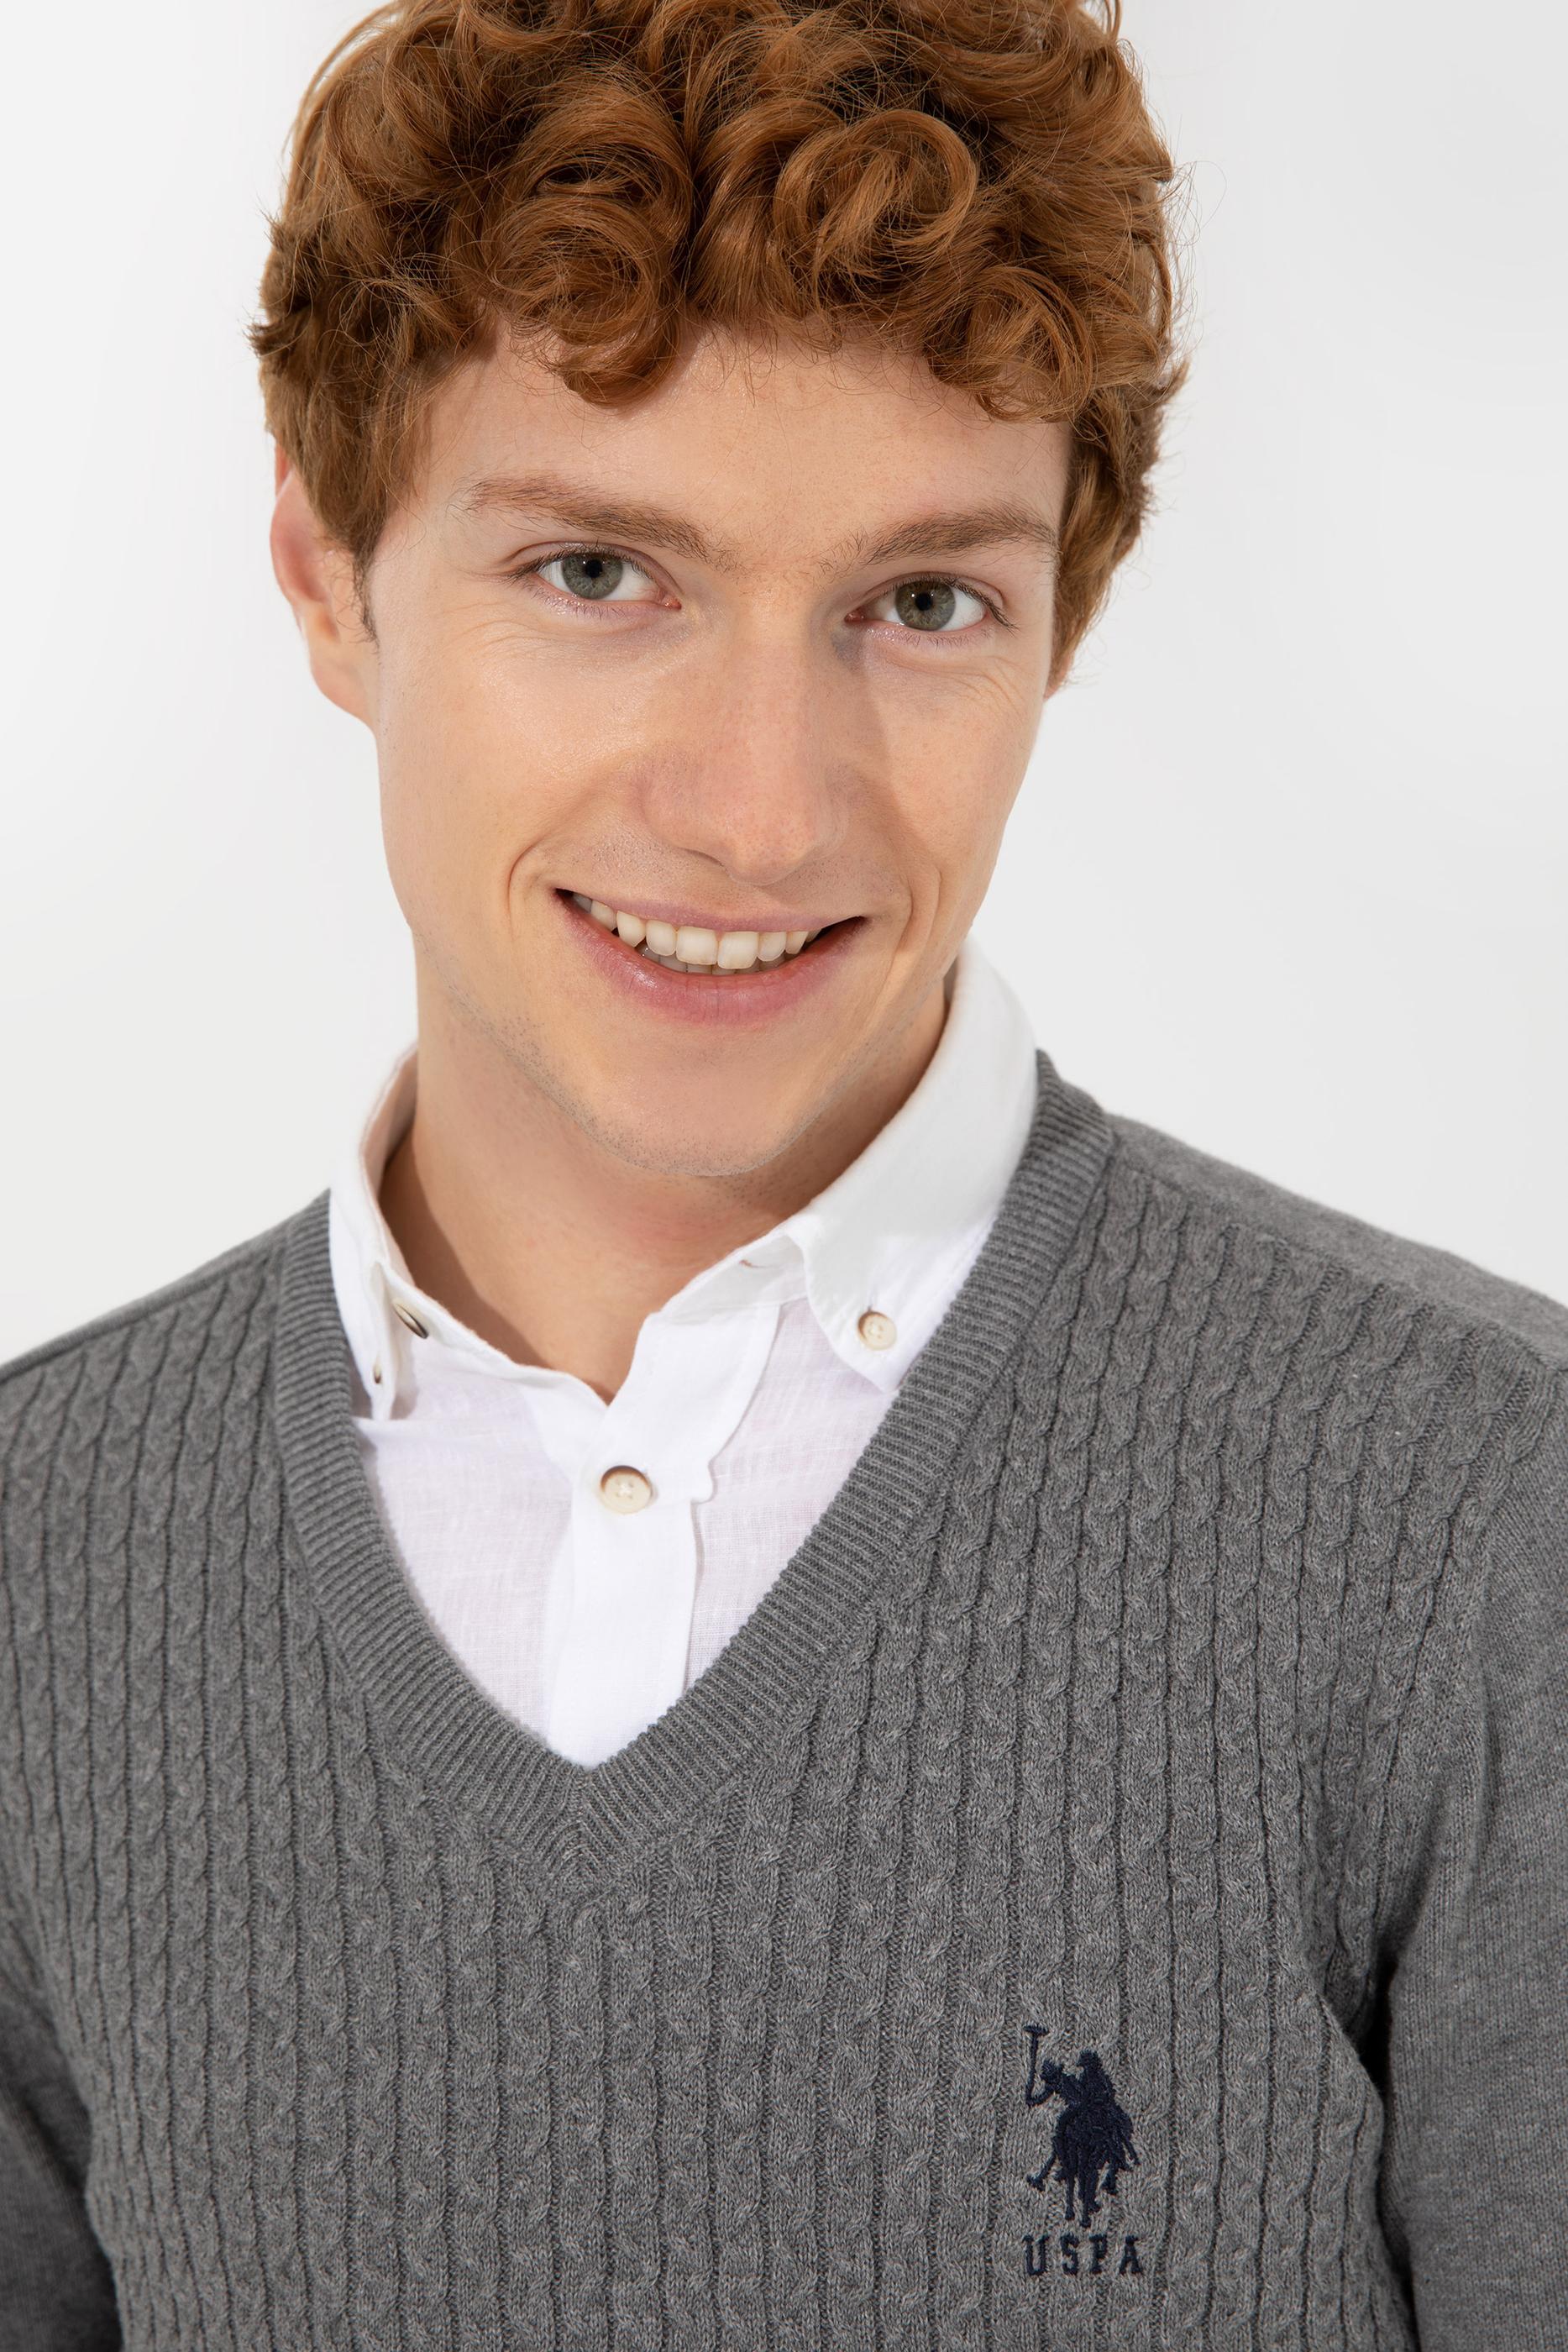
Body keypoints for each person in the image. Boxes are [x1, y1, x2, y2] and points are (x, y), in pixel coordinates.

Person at [2, 0, 1563, 2342]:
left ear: (1063, 623)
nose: (759, 809)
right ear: (326, 579)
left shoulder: (1483, 1522)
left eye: (920, 604)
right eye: (597, 576)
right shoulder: (40, 1571)